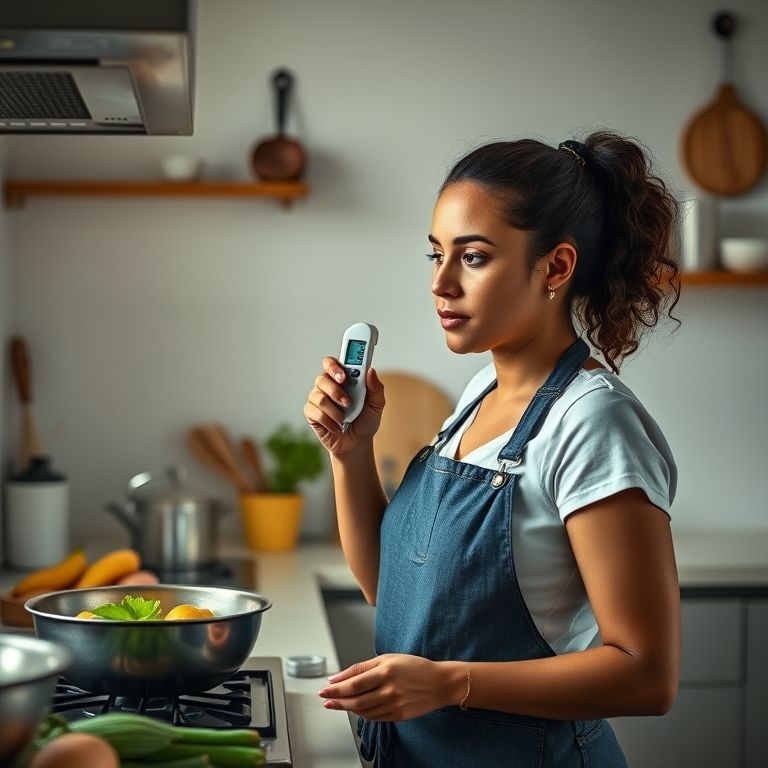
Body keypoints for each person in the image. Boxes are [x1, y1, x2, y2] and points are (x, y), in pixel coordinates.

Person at [304, 130, 681, 767]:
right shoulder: (481, 394)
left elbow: (646, 675)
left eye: (473, 257)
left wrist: (451, 683)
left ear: (555, 267)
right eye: (435, 255)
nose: (441, 284)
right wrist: (350, 451)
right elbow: (387, 589)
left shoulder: (593, 423)